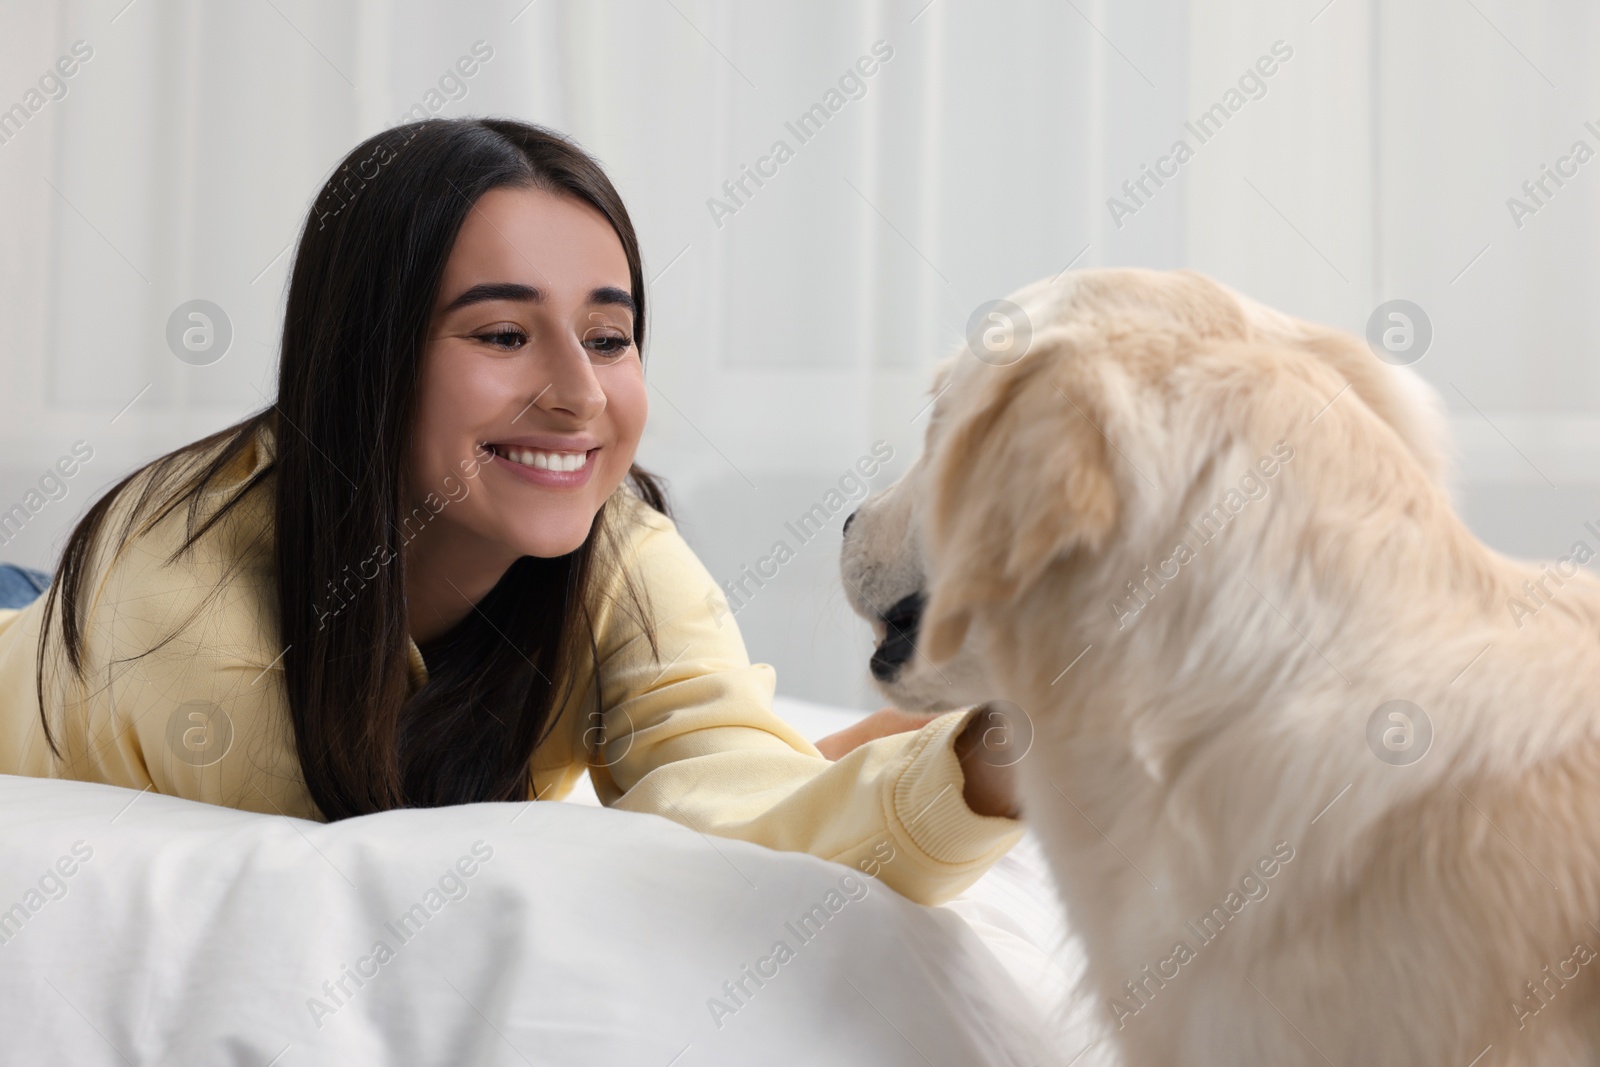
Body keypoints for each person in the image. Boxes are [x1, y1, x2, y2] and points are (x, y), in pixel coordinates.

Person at [0, 118, 1021, 906]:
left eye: (609, 337)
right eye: (501, 333)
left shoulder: (614, 546)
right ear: (366, 362)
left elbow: (717, 781)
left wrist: (994, 761)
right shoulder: (192, 627)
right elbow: (382, 878)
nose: (578, 392)